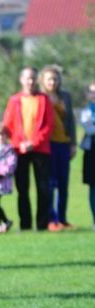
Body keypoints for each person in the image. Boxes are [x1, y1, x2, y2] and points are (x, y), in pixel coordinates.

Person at [2, 66, 54, 232]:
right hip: (20, 150)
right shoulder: (14, 100)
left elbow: (48, 125)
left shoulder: (44, 100)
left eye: (33, 78)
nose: (30, 81)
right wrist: (21, 142)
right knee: (22, 189)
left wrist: (34, 142)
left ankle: (42, 224)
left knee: (43, 187)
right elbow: (8, 125)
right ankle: (25, 224)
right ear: (21, 80)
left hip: (40, 150)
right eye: (27, 78)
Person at [39, 65, 77, 231]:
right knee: (51, 183)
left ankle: (62, 218)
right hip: (48, 146)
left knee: (64, 184)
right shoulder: (40, 98)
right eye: (49, 79)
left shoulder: (66, 97)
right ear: (43, 81)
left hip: (64, 144)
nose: (52, 82)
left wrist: (73, 143)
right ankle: (51, 219)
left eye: (55, 79)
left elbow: (72, 121)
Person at [80, 82, 95, 230]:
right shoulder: (86, 112)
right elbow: (89, 130)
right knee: (93, 187)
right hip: (92, 152)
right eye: (92, 92)